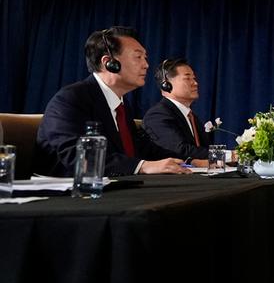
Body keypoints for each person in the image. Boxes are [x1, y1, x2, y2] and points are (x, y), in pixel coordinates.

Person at [35, 27, 189, 176]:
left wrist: (188, 161)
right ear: (109, 62)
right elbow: (77, 155)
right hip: (70, 195)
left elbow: (143, 148)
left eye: (145, 58)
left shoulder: (121, 105)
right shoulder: (70, 99)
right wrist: (143, 166)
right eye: (138, 57)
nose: (146, 65)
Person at [142, 58, 213, 163]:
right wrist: (227, 155)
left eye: (194, 78)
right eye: (187, 79)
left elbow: (204, 150)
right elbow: (180, 150)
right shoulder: (158, 115)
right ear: (166, 84)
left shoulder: (191, 116)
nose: (195, 83)